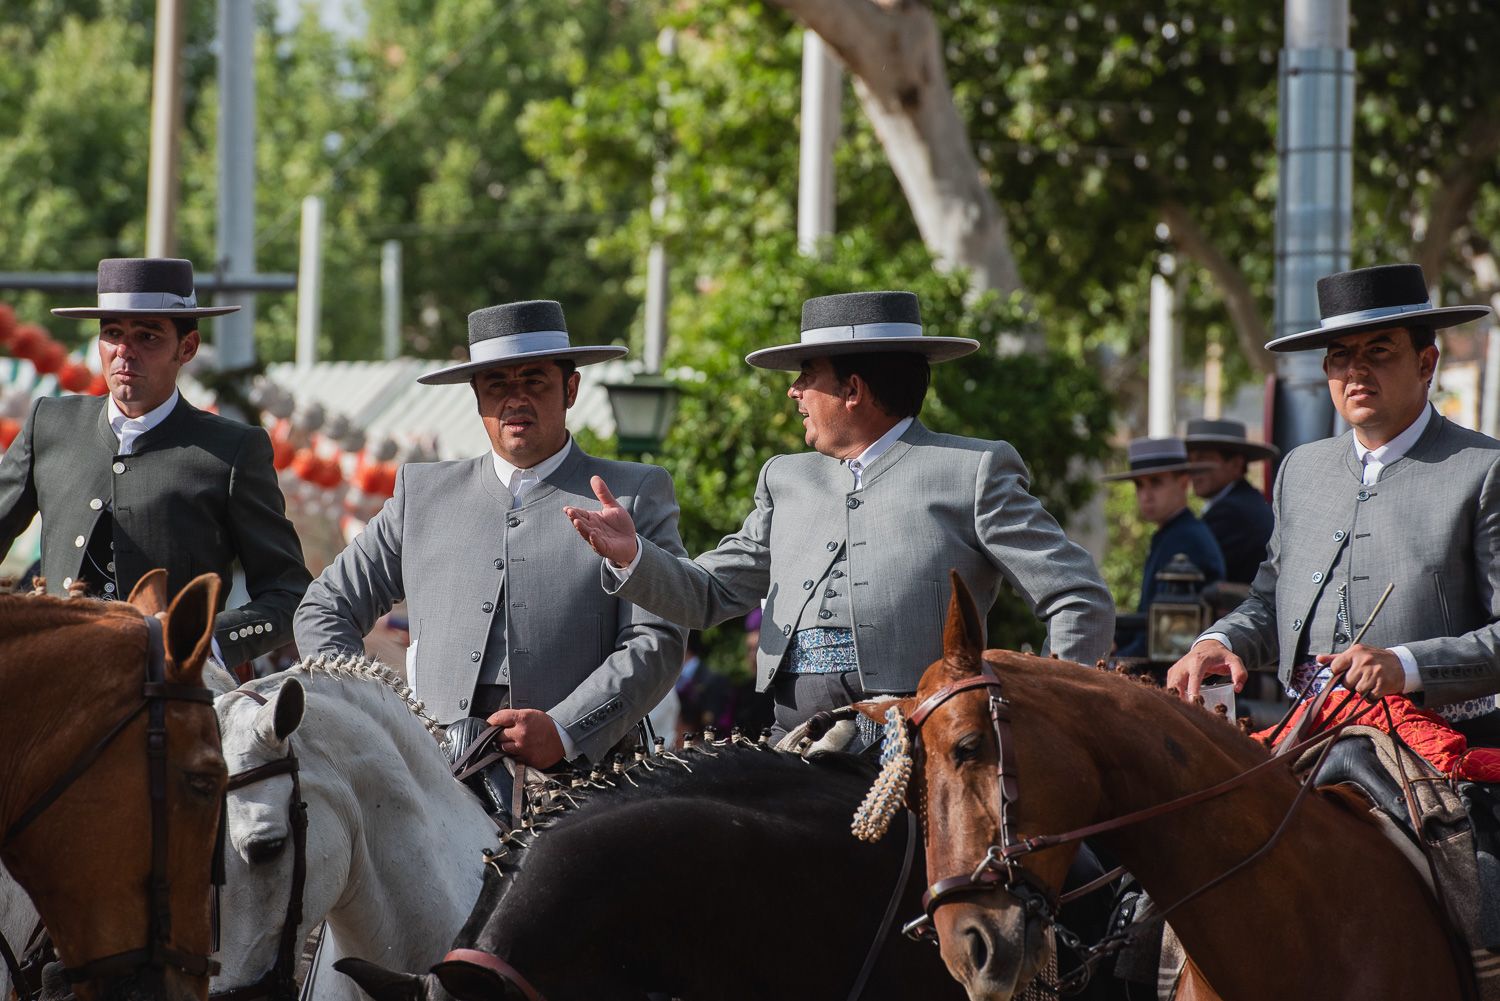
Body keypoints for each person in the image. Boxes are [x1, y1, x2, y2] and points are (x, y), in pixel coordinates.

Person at [565, 290, 1114, 740]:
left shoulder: (972, 470)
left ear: (852, 390)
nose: (793, 391)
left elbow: (1077, 597)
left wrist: (1041, 718)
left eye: (807, 375)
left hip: (927, 747)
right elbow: (708, 595)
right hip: (791, 740)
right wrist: (633, 555)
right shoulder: (785, 477)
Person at [295, 300, 686, 767]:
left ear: (572, 388)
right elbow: (324, 608)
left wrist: (566, 730)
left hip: (580, 778)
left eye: (534, 381)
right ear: (476, 397)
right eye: (496, 384)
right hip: (432, 777)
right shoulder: (421, 493)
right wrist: (368, 711)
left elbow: (657, 637)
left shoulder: (632, 494)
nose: (514, 399)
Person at [1168, 263, 1500, 738]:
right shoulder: (1300, 469)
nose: (1356, 370)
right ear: (1326, 371)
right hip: (1305, 738)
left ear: (1426, 363)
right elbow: (1269, 600)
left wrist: (1407, 665)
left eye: (1379, 350)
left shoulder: (1484, 468)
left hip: (1443, 750)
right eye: (1340, 355)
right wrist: (1219, 640)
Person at [0, 257, 310, 665]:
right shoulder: (49, 423)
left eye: (147, 337)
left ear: (187, 347)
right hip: (57, 677)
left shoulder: (233, 450)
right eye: (112, 333)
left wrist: (206, 643)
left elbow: (290, 596)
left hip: (172, 695)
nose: (125, 352)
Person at [1103, 437, 1225, 658]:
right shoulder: (1172, 533)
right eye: (1139, 485)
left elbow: (1165, 636)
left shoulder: (1185, 538)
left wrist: (1116, 662)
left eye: (1156, 482)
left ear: (1183, 483)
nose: (1146, 495)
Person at [1183, 418, 1278, 584]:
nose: (1193, 469)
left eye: (1203, 459)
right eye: (1190, 460)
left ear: (1236, 464)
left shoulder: (1232, 512)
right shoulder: (1246, 501)